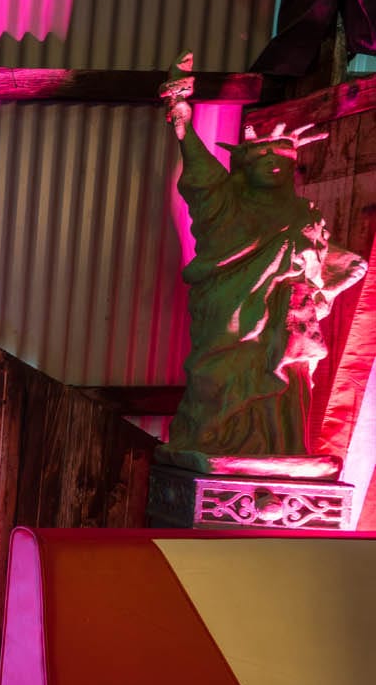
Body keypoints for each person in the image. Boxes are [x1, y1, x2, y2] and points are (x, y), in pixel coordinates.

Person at [157, 52, 367, 468]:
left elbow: (331, 263)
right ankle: (213, 441)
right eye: (261, 156)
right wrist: (182, 121)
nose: (272, 161)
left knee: (286, 382)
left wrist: (326, 288)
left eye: (282, 154)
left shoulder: (306, 214)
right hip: (232, 314)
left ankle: (282, 449)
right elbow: (203, 179)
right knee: (219, 378)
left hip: (287, 321)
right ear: (243, 165)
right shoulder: (227, 204)